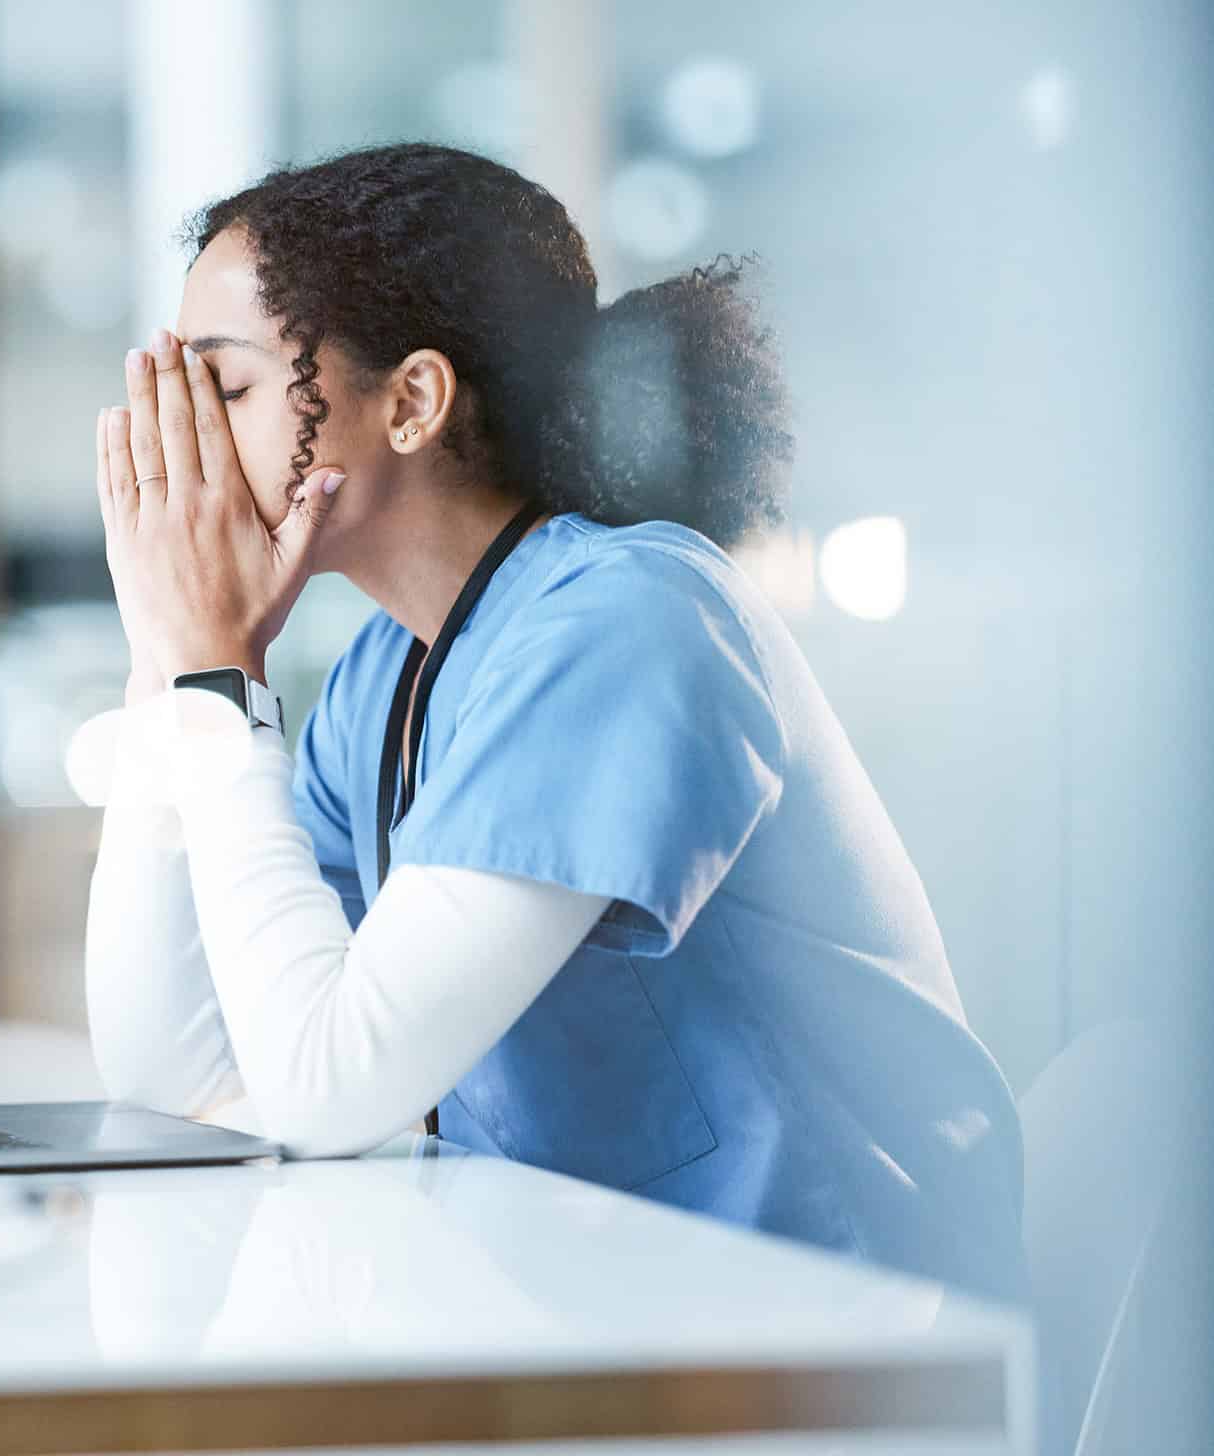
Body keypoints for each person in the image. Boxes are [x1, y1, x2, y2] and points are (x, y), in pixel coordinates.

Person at [83, 142, 1026, 1304]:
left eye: (223, 390)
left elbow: (324, 1091)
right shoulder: (388, 672)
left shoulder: (632, 622)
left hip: (838, 1343)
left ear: (413, 401)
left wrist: (218, 682)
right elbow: (169, 1069)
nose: (185, 446)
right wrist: (164, 663)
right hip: (602, 1309)